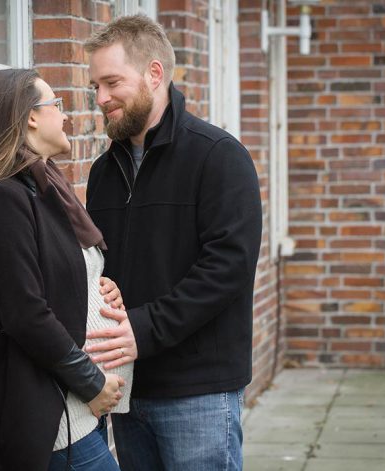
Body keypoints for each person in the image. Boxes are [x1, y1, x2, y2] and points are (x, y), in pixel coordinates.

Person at [83, 15, 263, 471]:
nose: (101, 98)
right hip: (126, 387)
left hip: (197, 391)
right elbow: (104, 268)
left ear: (154, 73)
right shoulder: (104, 174)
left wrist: (143, 330)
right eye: (95, 86)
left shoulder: (219, 157)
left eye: (112, 82)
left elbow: (227, 269)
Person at [0, 68, 133, 471]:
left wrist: (101, 288)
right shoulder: (3, 200)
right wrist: (92, 382)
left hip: (85, 412)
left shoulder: (48, 188)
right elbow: (25, 313)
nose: (65, 116)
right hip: (56, 413)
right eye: (57, 105)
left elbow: (61, 276)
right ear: (31, 116)